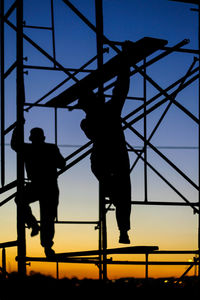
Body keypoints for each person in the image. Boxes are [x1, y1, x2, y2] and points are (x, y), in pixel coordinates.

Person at [69, 44, 132, 243]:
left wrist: (125, 62)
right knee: (122, 194)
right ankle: (123, 228)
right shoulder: (101, 115)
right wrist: (125, 63)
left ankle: (123, 228)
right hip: (113, 158)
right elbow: (121, 89)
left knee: (120, 193)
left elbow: (120, 89)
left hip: (107, 159)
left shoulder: (90, 119)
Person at [11, 122, 66, 257]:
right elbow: (62, 164)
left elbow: (14, 144)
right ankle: (47, 246)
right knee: (48, 217)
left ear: (31, 138)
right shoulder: (51, 148)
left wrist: (18, 126)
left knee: (21, 200)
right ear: (43, 138)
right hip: (49, 186)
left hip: (38, 185)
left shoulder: (27, 148)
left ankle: (33, 225)